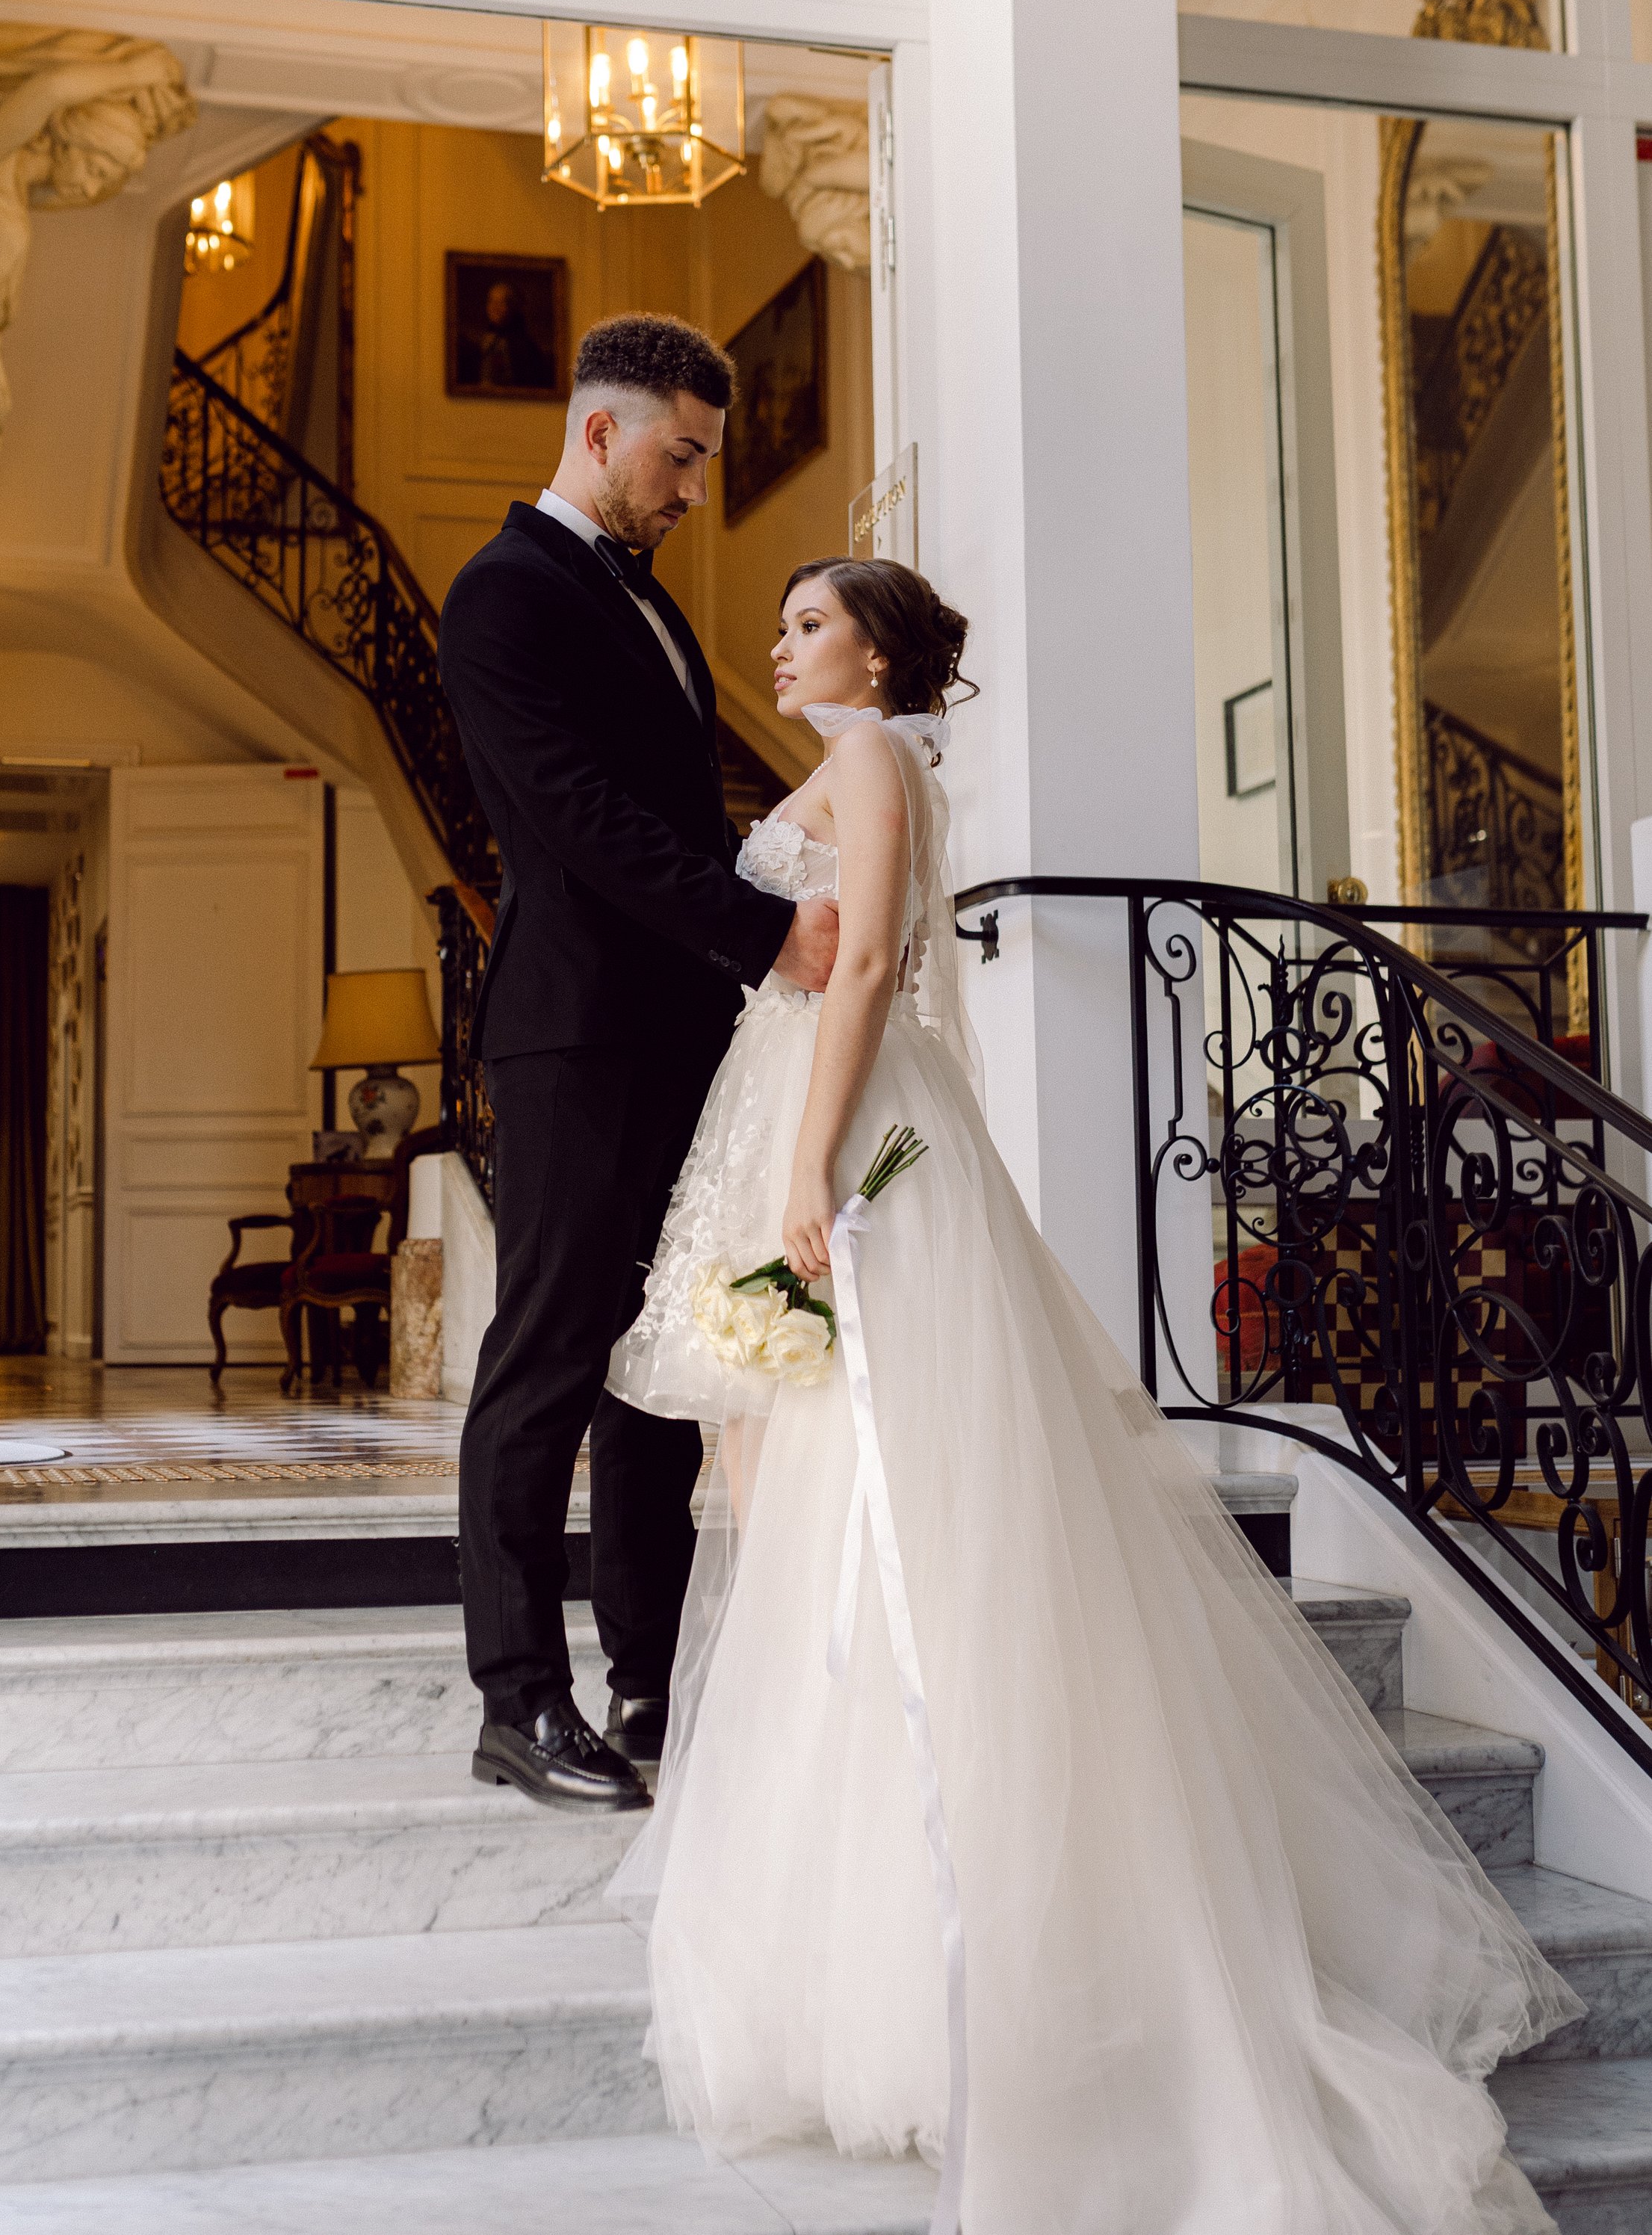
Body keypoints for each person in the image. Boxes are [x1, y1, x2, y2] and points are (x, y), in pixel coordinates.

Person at [606, 557, 1582, 2234]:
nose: (778, 643)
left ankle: (956, 1963)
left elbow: (856, 978)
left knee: (889, 1522)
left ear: (880, 645)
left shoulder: (868, 763)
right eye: (778, 624)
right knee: (826, 1503)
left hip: (853, 1140)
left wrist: (810, 1170)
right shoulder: (861, 764)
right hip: (833, 1116)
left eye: (807, 620)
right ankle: (856, 1951)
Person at [439, 314, 840, 1814]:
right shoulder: (504, 594)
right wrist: (767, 931)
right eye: (677, 459)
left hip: (680, 1033)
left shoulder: (646, 603)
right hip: (575, 1034)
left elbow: (682, 815)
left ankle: (650, 1680)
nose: (689, 491)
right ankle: (516, 1701)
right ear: (597, 432)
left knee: (660, 1369)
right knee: (545, 1359)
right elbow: (574, 822)